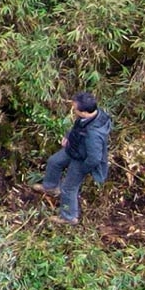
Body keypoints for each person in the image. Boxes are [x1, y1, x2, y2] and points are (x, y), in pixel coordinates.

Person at [38, 92, 112, 224]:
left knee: (68, 188)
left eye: (75, 108)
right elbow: (78, 126)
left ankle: (68, 216)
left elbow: (95, 158)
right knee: (54, 162)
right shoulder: (93, 115)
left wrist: (82, 169)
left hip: (82, 160)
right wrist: (68, 136)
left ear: (84, 112)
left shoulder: (94, 134)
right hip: (74, 147)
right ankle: (50, 186)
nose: (73, 109)